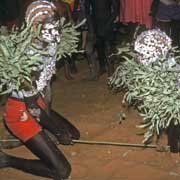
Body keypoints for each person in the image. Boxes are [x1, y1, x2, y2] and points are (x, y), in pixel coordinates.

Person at [0, 1, 80, 179]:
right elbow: (32, 109)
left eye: (56, 23)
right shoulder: (28, 57)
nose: (56, 31)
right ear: (34, 26)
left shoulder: (49, 41)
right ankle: (7, 160)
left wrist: (52, 121)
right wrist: (57, 130)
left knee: (74, 135)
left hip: (38, 102)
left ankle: (38, 135)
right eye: (49, 25)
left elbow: (42, 92)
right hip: (20, 112)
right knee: (62, 171)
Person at [85, 0, 119, 77]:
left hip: (108, 21)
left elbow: (116, 10)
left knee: (109, 47)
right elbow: (87, 12)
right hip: (95, 23)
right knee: (99, 46)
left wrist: (108, 24)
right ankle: (102, 67)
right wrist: (91, 28)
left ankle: (111, 69)